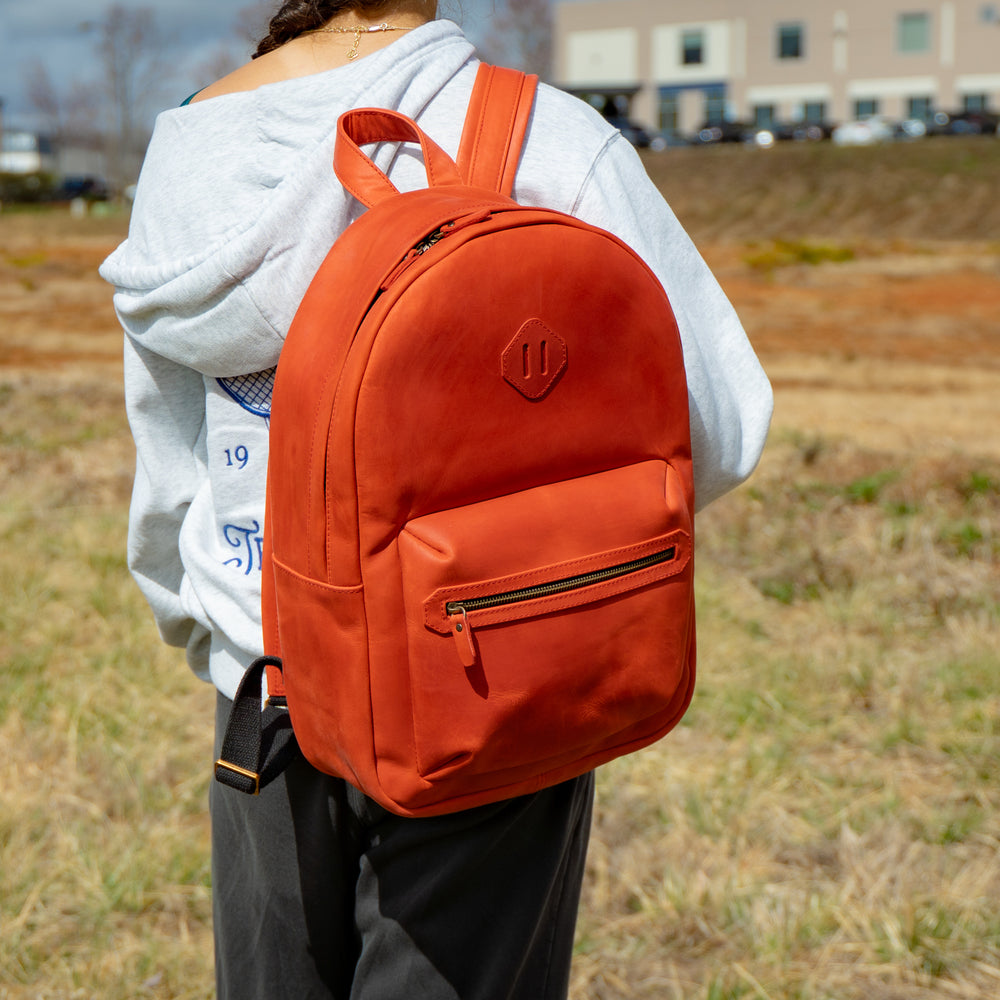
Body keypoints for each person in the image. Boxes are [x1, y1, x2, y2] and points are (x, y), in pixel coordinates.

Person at [100, 1, 773, 997]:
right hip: (485, 682)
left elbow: (170, 464)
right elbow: (714, 430)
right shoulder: (542, 138)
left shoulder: (188, 146)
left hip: (263, 689)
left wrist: (218, 634)